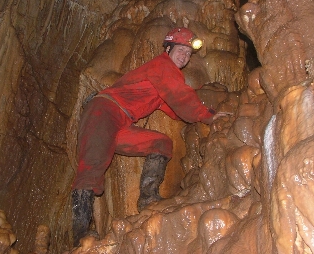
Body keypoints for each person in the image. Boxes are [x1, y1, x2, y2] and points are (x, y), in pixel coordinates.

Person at [71, 27, 228, 246]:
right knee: (92, 165)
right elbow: (182, 98)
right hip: (104, 111)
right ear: (168, 49)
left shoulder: (163, 78)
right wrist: (208, 115)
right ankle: (80, 233)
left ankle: (148, 197)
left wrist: (202, 101)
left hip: (122, 122)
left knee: (161, 143)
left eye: (188, 53)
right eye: (180, 50)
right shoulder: (162, 67)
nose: (184, 56)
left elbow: (176, 109)